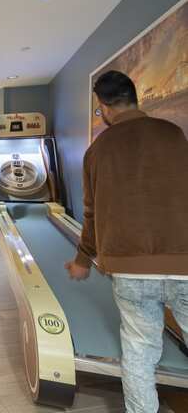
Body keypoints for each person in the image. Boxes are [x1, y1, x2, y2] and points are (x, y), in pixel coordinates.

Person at [64, 70, 188, 413]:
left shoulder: (98, 150)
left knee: (139, 352)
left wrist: (82, 261)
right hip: (184, 261)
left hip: (130, 268)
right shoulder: (174, 134)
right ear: (135, 99)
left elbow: (92, 214)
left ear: (102, 106)